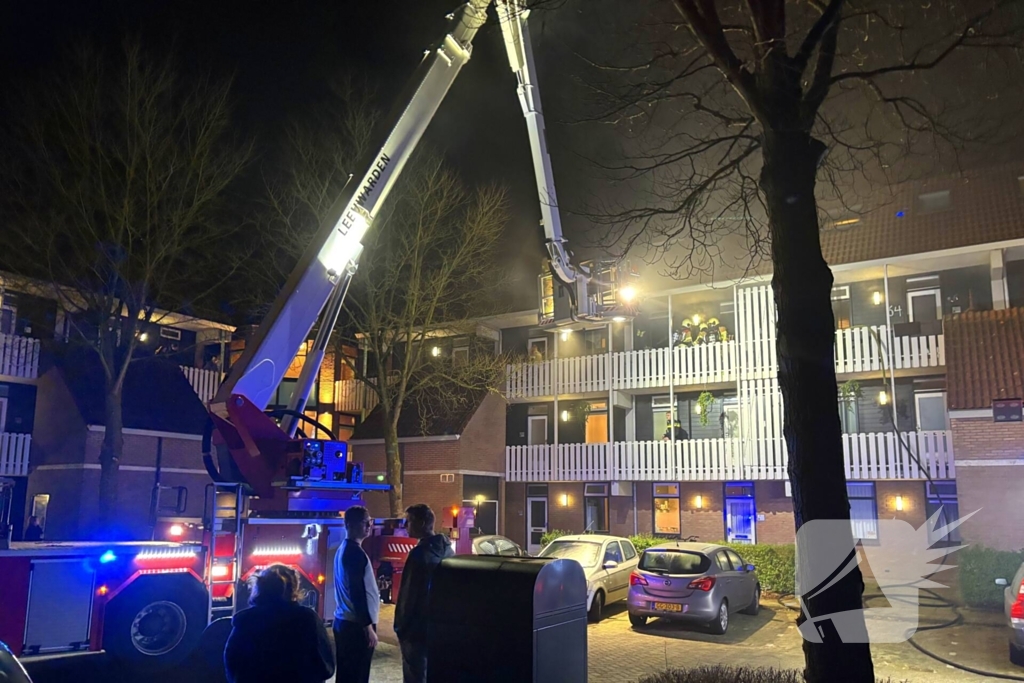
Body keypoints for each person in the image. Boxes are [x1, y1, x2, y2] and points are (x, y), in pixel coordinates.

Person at [223, 564, 334, 683]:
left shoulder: (245, 621)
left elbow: (232, 660)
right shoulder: (308, 619)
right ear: (293, 589)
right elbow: (324, 665)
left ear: (259, 588)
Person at [394, 503, 454, 683]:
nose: (405, 526)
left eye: (409, 521)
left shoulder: (418, 555)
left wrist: (401, 628)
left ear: (421, 523)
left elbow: (408, 596)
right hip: (438, 630)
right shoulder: (448, 552)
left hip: (416, 632)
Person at [334, 505, 379, 683]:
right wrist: (367, 627)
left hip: (346, 622)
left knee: (347, 675)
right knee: (357, 676)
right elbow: (356, 592)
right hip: (356, 626)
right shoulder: (354, 553)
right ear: (350, 525)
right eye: (364, 522)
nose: (369, 526)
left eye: (370, 522)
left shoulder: (345, 549)